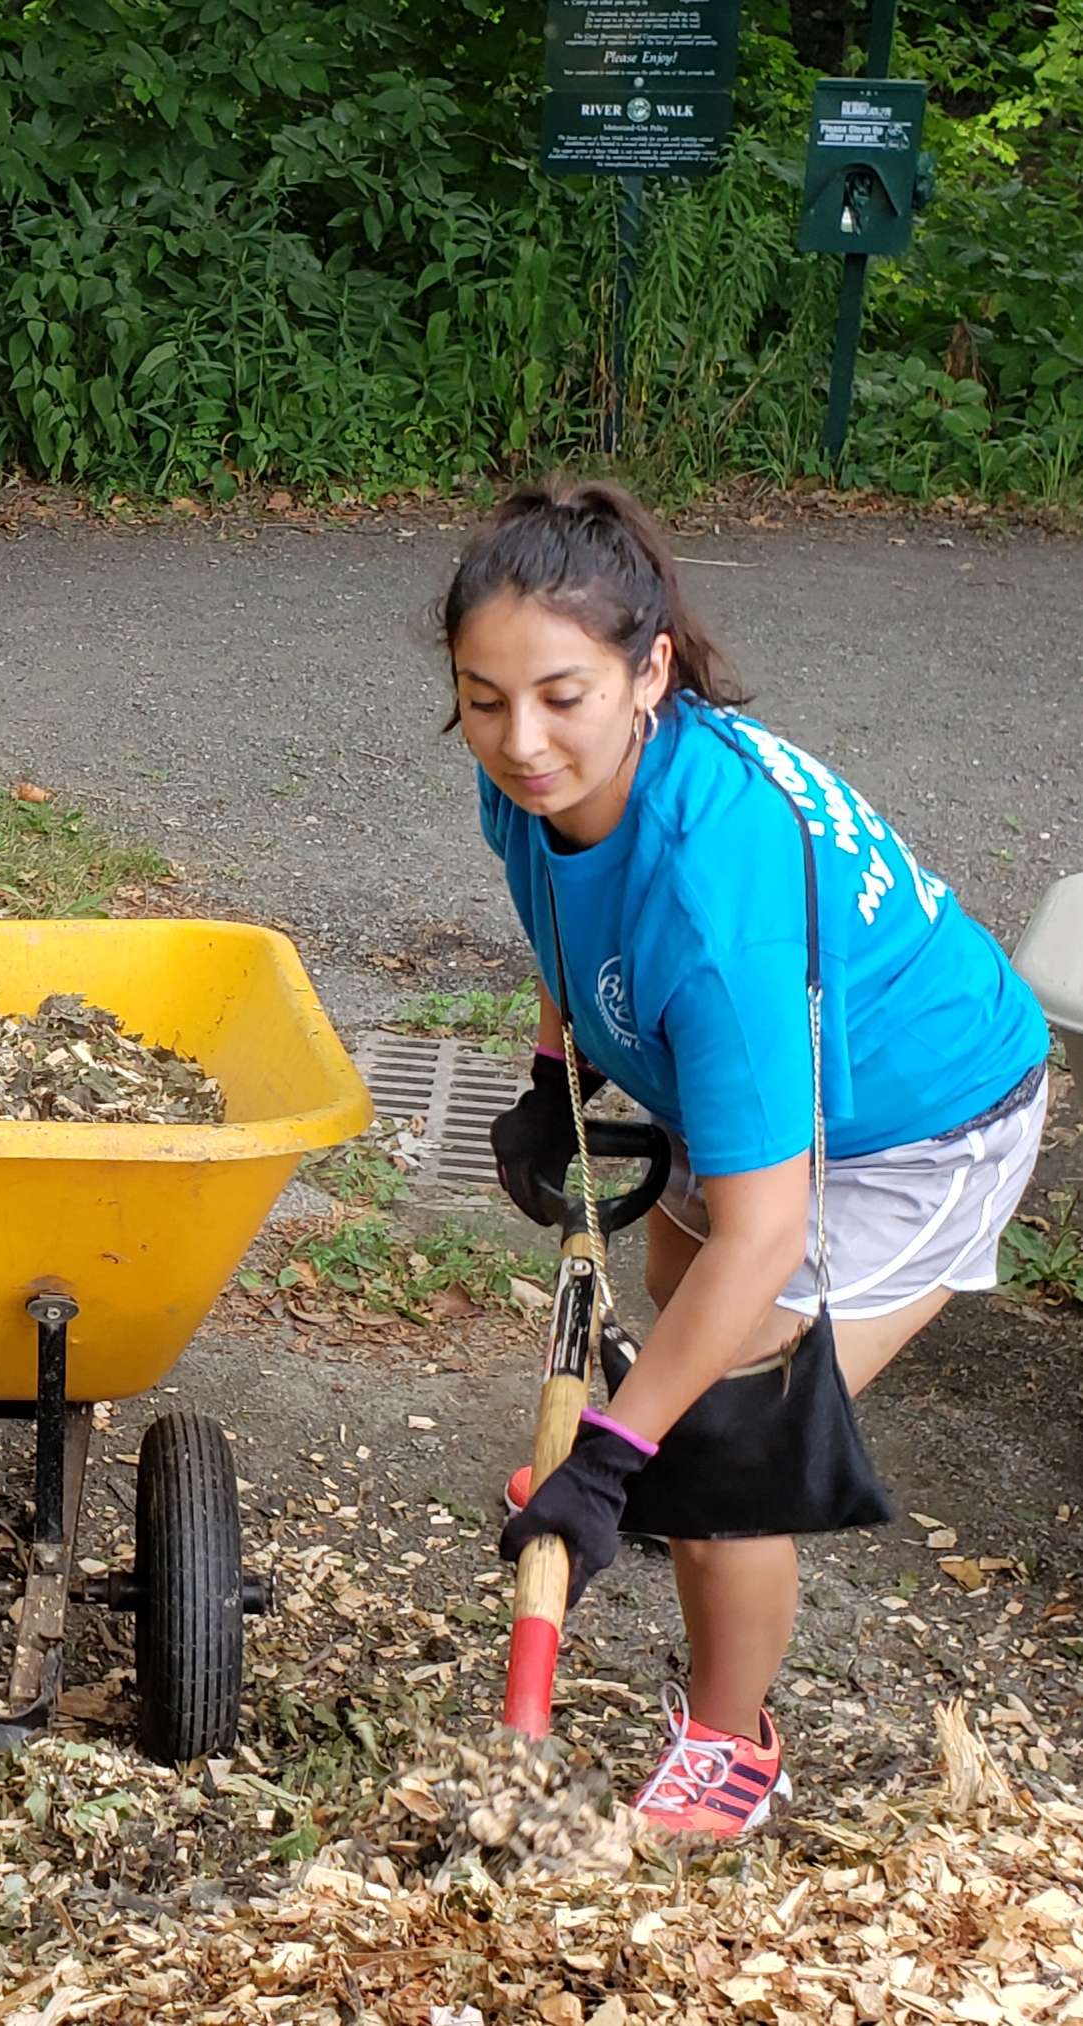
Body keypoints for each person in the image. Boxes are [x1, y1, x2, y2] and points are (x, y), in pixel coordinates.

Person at [447, 483, 1047, 1836]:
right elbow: (557, 904)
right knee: (681, 1318)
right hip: (770, 1083)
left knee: (722, 1437)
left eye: (558, 696)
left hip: (918, 1127)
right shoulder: (541, 789)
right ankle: (647, 1459)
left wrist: (610, 1455)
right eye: (483, 700)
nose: (520, 741)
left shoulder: (710, 908)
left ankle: (730, 1737)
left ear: (647, 667)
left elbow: (764, 1237)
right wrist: (556, 1069)